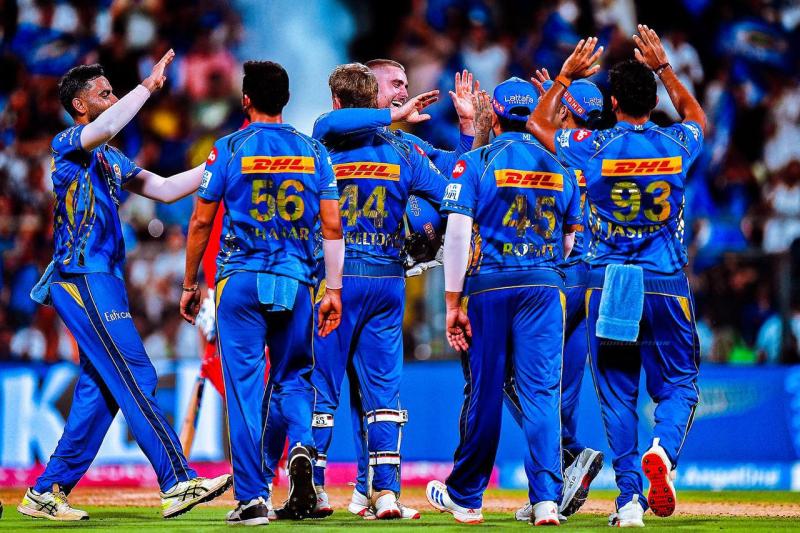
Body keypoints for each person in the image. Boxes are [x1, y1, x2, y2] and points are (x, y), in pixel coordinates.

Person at [18, 52, 232, 522]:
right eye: (104, 93)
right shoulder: (68, 143)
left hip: (104, 280)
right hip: (82, 277)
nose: (113, 99)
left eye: (114, 92)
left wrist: (225, 164)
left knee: (102, 388)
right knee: (138, 374)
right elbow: (110, 124)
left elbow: (166, 189)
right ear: (79, 105)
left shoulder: (109, 157)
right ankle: (177, 482)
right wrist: (146, 88)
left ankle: (46, 491)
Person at [528, 28, 706, 527]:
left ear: (611, 103)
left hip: (611, 282)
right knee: (680, 383)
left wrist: (564, 77)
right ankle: (663, 451)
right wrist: (664, 67)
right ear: (654, 101)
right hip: (666, 279)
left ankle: (629, 501)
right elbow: (697, 115)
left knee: (616, 393)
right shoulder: (676, 142)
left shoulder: (594, 146)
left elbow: (538, 123)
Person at [309, 59, 485, 520]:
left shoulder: (326, 147)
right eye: (395, 85)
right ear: (372, 92)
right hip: (384, 279)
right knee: (379, 392)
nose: (404, 94)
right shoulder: (399, 149)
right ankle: (381, 490)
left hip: (337, 278)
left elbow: (456, 176)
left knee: (326, 388)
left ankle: (324, 488)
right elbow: (453, 193)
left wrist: (467, 130)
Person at [180, 60, 344, 526]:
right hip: (295, 280)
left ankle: (252, 498)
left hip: (240, 281)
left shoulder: (228, 148)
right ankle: (301, 447)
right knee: (295, 378)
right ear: (286, 99)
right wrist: (333, 290)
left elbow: (201, 221)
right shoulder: (314, 152)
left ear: (245, 99)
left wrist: (191, 283)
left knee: (245, 391)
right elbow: (333, 226)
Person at [426, 77, 582, 526]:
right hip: (545, 286)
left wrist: (452, 302)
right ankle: (547, 500)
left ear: (493, 116)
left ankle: (467, 497)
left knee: (486, 390)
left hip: (489, 287)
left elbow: (457, 234)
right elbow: (569, 241)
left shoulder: (476, 162)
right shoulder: (561, 167)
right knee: (542, 393)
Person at [505, 71, 606, 522]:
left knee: (515, 376)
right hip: (595, 279)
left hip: (560, 276)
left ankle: (564, 458)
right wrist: (559, 97)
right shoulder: (605, 149)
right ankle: (562, 471)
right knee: (563, 386)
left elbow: (532, 129)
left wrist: (553, 96)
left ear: (567, 112)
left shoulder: (557, 147)